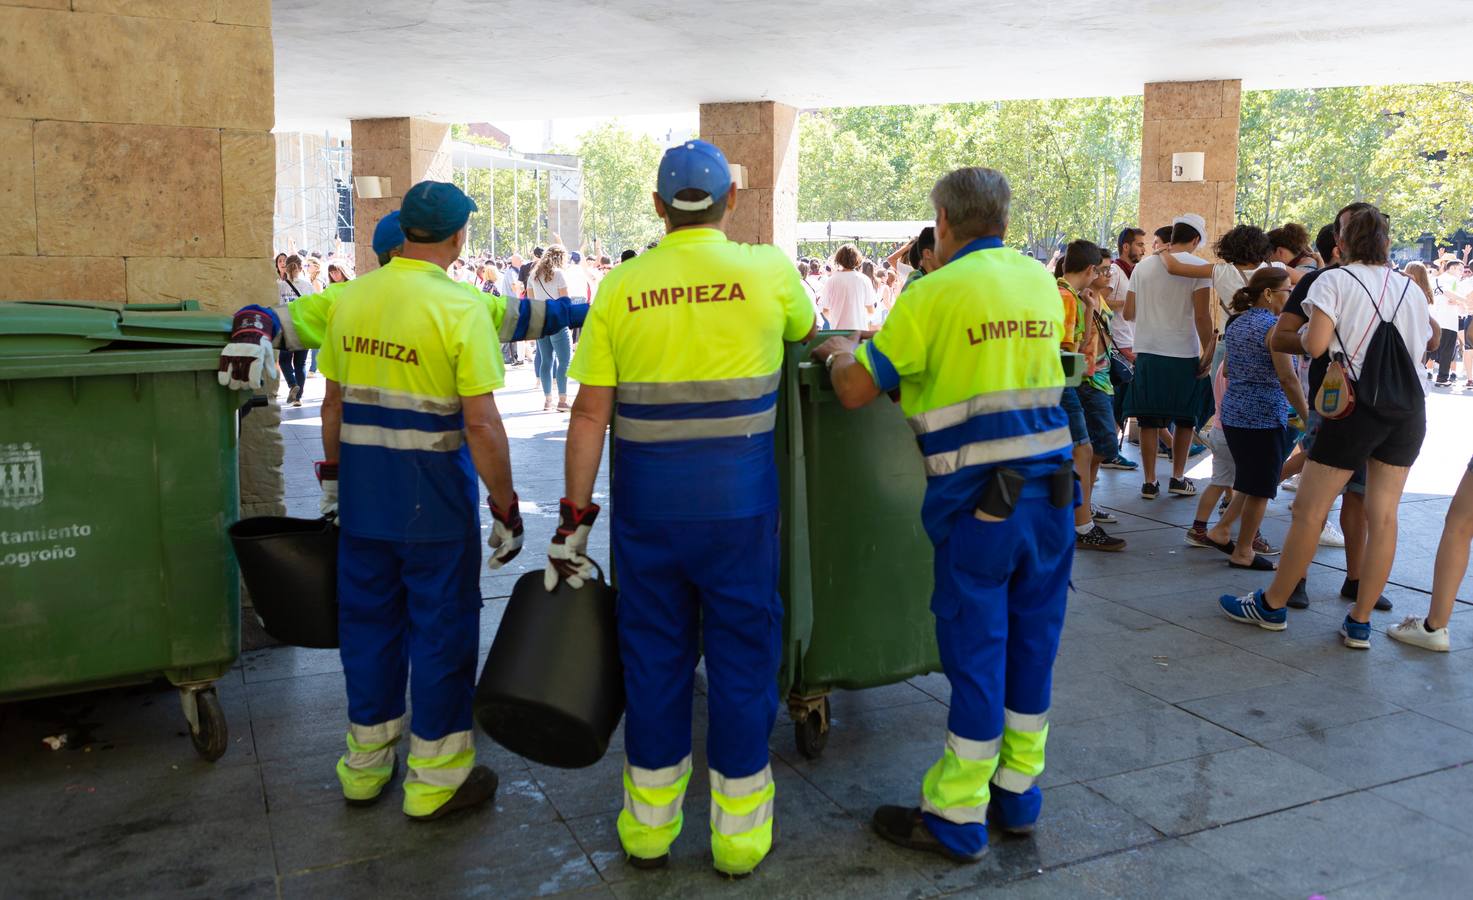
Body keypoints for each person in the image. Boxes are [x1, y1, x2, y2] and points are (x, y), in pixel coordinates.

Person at [545, 140, 816, 878]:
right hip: (738, 514)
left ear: (659, 207)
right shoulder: (766, 271)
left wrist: (573, 520)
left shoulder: (621, 287)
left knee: (655, 663)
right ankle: (737, 839)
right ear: (729, 201)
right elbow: (805, 334)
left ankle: (648, 831)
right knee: (740, 663)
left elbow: (588, 417)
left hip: (647, 519)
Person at [812, 167, 1074, 863]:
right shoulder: (1036, 283)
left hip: (980, 508)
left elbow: (856, 390)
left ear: (943, 221)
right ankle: (1018, 797)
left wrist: (839, 349)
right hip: (1050, 496)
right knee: (1031, 650)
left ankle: (956, 816)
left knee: (978, 656)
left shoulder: (933, 294)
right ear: (1005, 222)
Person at [315, 180, 524, 820]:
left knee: (369, 632)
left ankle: (364, 769)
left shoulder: (349, 301)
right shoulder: (460, 308)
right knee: (441, 636)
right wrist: (505, 503)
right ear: (459, 238)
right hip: (432, 505)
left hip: (365, 502)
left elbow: (333, 404)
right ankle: (436, 782)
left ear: (403, 231)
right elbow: (483, 425)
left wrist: (333, 483)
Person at [1221, 205, 1438, 649]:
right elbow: (1431, 339)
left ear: (1342, 241)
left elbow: (1315, 342)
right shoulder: (1409, 287)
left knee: (1309, 510)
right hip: (1407, 412)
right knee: (1384, 516)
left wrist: (1311, 338)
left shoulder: (1336, 280)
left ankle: (1273, 603)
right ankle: (1360, 621)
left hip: (1352, 410)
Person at [1267, 213, 1391, 609]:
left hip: (1378, 407)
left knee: (1359, 499)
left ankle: (1357, 580)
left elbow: (1431, 337)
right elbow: (1280, 338)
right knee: (1314, 501)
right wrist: (1319, 338)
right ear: (1339, 238)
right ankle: (1295, 580)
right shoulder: (1321, 280)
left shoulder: (1394, 284)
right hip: (1335, 402)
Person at [1211, 269, 1307, 570]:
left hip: (1234, 413)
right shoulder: (1274, 328)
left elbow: (1226, 371)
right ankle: (1243, 551)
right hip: (1262, 417)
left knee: (1252, 481)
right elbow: (1288, 378)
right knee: (1261, 488)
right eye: (1287, 291)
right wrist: (1309, 416)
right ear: (1268, 293)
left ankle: (1222, 529)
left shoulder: (1236, 323)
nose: (1290, 298)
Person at [1123, 214, 1216, 499]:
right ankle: (1178, 476)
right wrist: (1207, 353)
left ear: (1173, 235)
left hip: (1148, 350)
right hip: (1182, 351)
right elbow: (1201, 316)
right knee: (1185, 417)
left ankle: (1149, 482)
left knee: (1149, 420)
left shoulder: (1143, 267)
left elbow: (1128, 313)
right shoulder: (1200, 268)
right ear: (1196, 240)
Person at [1057, 242, 1125, 551]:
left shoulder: (1067, 296)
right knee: (1082, 450)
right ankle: (1081, 524)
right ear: (1089, 270)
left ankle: (1080, 518)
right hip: (1064, 383)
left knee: (1083, 450)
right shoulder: (1066, 298)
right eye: (1100, 270)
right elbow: (1069, 352)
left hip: (1065, 382)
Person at [1100, 228, 1144, 470]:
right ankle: (1110, 451)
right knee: (1120, 401)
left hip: (1130, 340)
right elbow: (1102, 300)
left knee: (1124, 401)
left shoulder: (1133, 272)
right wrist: (1130, 303)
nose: (1143, 249)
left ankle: (1111, 450)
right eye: (1138, 244)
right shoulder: (1115, 270)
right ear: (1125, 247)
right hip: (1119, 343)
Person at [528, 245, 574, 411]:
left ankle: (548, 400)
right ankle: (562, 400)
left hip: (541, 322)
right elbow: (565, 300)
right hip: (557, 322)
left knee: (546, 361)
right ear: (560, 258)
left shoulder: (533, 275)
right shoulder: (559, 274)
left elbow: (531, 302)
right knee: (564, 361)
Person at [277, 254, 315, 407]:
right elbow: (313, 307)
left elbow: (277, 306)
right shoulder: (307, 286)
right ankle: (298, 398)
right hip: (303, 328)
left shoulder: (280, 286)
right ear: (301, 267)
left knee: (284, 361)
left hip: (286, 327)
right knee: (300, 364)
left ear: (286, 267)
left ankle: (292, 385)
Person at [820, 244, 876, 331]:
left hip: (837, 333)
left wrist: (834, 321)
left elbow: (825, 310)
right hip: (859, 333)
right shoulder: (864, 280)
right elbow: (871, 310)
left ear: (838, 259)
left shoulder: (831, 280)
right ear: (857, 259)